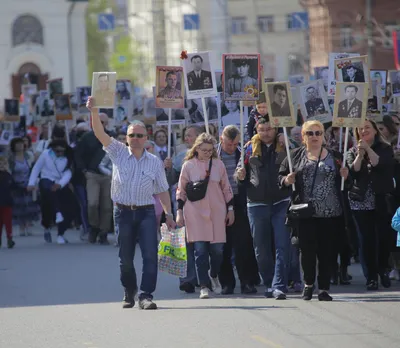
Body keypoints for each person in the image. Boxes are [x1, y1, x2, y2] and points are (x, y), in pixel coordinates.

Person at [86, 96, 175, 310]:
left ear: (146, 138)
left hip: (145, 213)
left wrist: (169, 214)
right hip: (123, 213)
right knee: (125, 258)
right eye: (131, 135)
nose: (135, 138)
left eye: (139, 135)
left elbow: (162, 189)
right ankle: (129, 290)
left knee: (150, 256)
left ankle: (146, 295)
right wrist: (94, 111)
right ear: (126, 138)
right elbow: (100, 133)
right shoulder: (117, 152)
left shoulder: (154, 162)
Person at [279, 120, 349, 301]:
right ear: (303, 137)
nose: (315, 136)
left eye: (318, 133)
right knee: (307, 250)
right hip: (306, 212)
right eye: (310, 133)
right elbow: (280, 177)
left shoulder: (335, 156)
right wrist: (287, 180)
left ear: (323, 136)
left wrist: (346, 176)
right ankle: (309, 284)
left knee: (327, 251)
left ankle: (324, 288)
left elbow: (346, 182)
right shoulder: (294, 156)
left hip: (331, 212)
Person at [235, 117, 293, 300]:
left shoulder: (284, 145)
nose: (266, 132)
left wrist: (289, 142)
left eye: (269, 129)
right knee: (261, 249)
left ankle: (279, 285)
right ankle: (268, 282)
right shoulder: (249, 149)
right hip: (256, 203)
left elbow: (298, 158)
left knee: (282, 245)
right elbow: (240, 177)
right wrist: (240, 175)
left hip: (281, 202)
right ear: (257, 131)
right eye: (262, 129)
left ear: (275, 130)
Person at [176, 133, 234, 299]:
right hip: (194, 212)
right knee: (200, 252)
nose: (207, 153)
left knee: (217, 251)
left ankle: (213, 274)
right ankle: (203, 285)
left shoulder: (218, 165)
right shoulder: (188, 166)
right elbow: (181, 189)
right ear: (197, 149)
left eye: (210, 150)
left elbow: (226, 188)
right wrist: (179, 212)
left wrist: (231, 209)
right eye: (204, 150)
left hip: (217, 211)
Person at [346, 119, 395, 290]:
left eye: (367, 127)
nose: (364, 130)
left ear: (375, 131)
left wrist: (368, 149)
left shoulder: (385, 149)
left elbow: (378, 163)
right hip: (361, 200)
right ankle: (371, 276)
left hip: (381, 198)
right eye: (360, 128)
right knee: (366, 239)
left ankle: (383, 269)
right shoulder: (352, 150)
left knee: (383, 237)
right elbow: (354, 170)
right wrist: (360, 153)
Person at [217, 126, 259, 294]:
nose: (232, 147)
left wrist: (244, 175)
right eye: (229, 144)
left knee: (243, 244)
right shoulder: (213, 156)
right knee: (222, 245)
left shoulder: (243, 155)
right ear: (222, 140)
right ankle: (226, 282)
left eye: (235, 144)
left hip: (239, 201)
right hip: (218, 202)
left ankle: (247, 281)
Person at [75, 113, 113, 244]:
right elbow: (78, 155)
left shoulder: (111, 137)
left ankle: (104, 231)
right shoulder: (87, 137)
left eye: (103, 122)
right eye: (99, 122)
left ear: (107, 124)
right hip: (92, 175)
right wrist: (84, 171)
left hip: (108, 176)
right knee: (92, 203)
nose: (101, 124)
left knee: (107, 206)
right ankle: (94, 227)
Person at [28, 139, 75, 244]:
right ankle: (49, 224)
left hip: (60, 182)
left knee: (70, 207)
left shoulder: (68, 157)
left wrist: (60, 184)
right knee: (47, 203)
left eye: (61, 151)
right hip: (46, 180)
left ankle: (61, 233)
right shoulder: (45, 154)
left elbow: (68, 172)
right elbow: (36, 168)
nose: (59, 153)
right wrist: (31, 183)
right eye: (57, 151)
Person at [0, 156, 15, 248]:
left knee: (8, 222)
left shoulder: (8, 175)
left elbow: (13, 186)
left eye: (4, 164)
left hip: (7, 202)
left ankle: (10, 238)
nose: (2, 165)